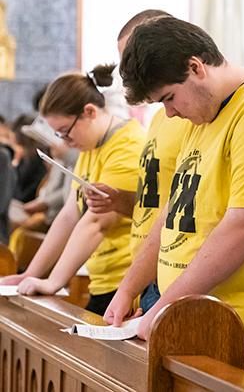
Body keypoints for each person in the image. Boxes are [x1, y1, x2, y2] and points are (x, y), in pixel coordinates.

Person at [102, 16, 244, 390]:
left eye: (169, 98)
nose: (169, 113)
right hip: (197, 329)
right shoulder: (202, 117)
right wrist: (127, 289)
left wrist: (163, 309)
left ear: (195, 67)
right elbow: (171, 214)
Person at [0, 65, 145, 316]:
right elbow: (69, 215)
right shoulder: (91, 147)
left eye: (65, 132)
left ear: (89, 112)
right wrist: (31, 274)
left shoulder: (127, 146)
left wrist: (54, 281)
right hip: (103, 278)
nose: (64, 141)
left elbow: (97, 222)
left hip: (124, 281)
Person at [85, 9, 190, 312]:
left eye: (133, 55)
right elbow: (153, 203)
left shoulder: (190, 115)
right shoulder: (160, 118)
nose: (128, 71)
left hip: (172, 274)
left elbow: (190, 207)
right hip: (146, 271)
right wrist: (119, 200)